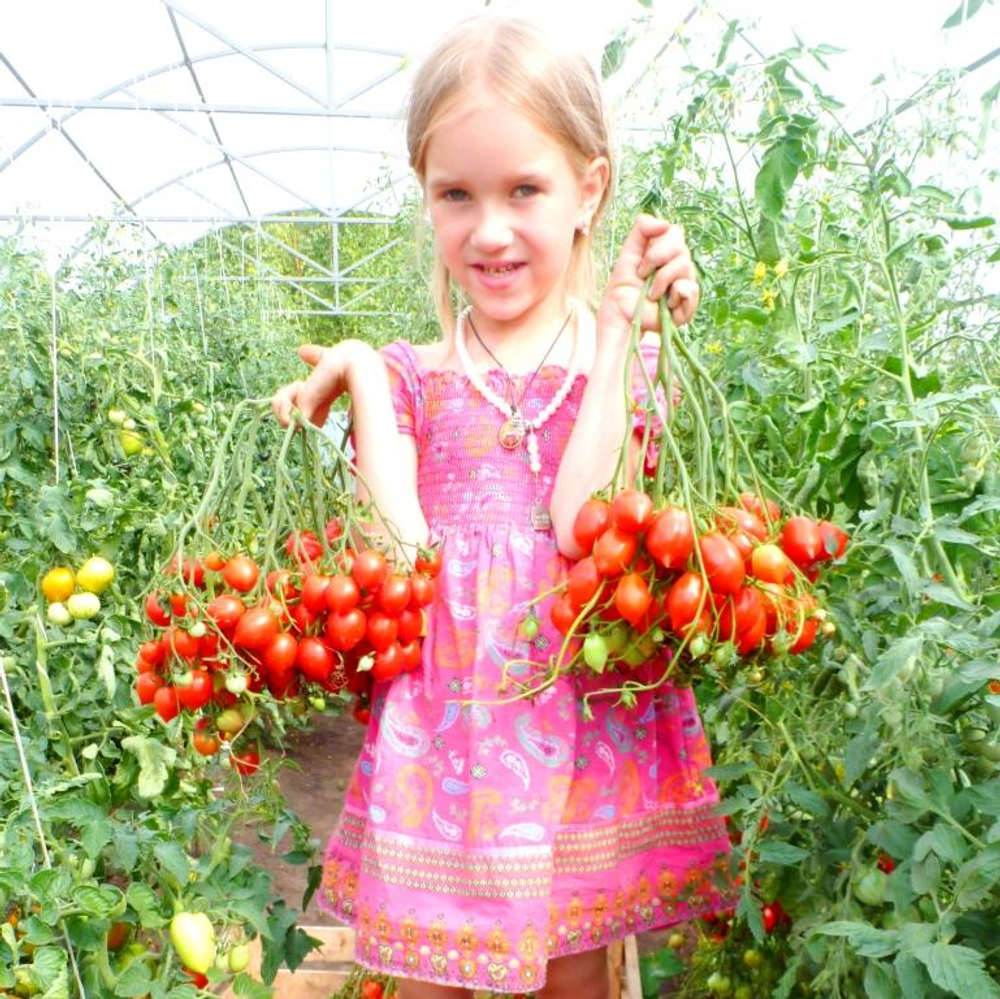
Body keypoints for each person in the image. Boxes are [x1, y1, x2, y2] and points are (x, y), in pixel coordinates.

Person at [272, 15, 732, 999]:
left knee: (575, 977)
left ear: (588, 190)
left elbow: (582, 525)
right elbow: (401, 554)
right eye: (456, 195)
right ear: (426, 199)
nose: (487, 229)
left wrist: (616, 336)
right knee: (433, 978)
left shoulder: (631, 360)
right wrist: (358, 368)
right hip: (450, 751)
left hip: (579, 729)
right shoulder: (411, 380)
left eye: (524, 188)